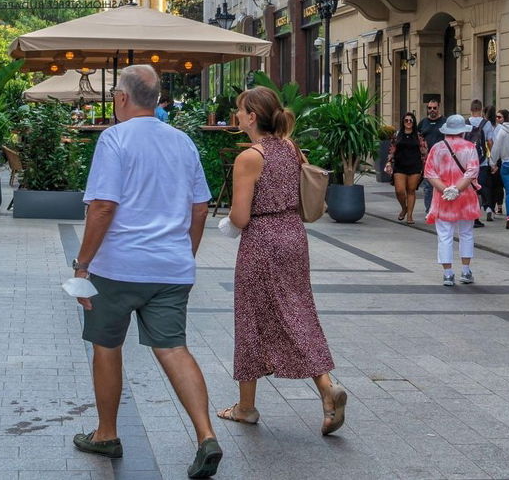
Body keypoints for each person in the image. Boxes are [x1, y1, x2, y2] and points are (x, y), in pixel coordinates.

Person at [70, 64, 223, 478]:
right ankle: (206, 435)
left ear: (121, 98)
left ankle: (106, 433)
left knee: (106, 345)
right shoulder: (183, 142)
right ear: (155, 101)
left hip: (118, 267)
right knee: (173, 347)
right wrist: (183, 253)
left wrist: (82, 265)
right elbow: (200, 207)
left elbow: (103, 206)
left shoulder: (114, 139)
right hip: (171, 267)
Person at [216, 86, 348, 437]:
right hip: (293, 236)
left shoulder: (250, 157)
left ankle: (246, 407)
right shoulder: (289, 147)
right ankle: (326, 387)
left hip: (262, 241)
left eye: (240, 110)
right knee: (297, 312)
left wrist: (225, 223)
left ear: (252, 116)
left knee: (251, 318)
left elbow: (242, 217)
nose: (236, 115)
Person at [425, 114, 483, 286]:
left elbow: (429, 173)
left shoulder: (437, 148)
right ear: (462, 132)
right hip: (466, 198)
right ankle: (465, 271)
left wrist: (446, 190)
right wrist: (457, 189)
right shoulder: (469, 147)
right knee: (466, 234)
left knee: (444, 235)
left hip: (443, 199)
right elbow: (472, 172)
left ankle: (448, 273)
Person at [383, 112, 428, 224]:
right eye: (406, 120)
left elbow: (424, 152)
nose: (408, 122)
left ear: (414, 122)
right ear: (403, 122)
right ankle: (404, 208)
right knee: (399, 191)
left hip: (415, 166)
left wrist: (425, 165)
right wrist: (388, 162)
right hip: (400, 166)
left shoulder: (419, 136)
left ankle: (410, 216)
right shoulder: (397, 135)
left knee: (411, 191)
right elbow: (391, 150)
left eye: (410, 120)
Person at [464, 100, 490, 228]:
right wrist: (493, 161)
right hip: (482, 162)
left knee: (469, 190)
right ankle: (476, 217)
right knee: (478, 190)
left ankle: (467, 214)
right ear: (481, 110)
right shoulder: (487, 124)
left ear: (471, 110)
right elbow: (490, 143)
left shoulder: (465, 123)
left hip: (467, 163)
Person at [416, 100, 448, 204]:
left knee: (443, 185)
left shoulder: (445, 122)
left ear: (439, 108)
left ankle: (442, 209)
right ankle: (429, 211)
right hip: (427, 160)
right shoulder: (423, 123)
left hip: (443, 160)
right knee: (428, 187)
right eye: (430, 108)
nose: (432, 110)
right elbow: (417, 138)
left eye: (434, 108)